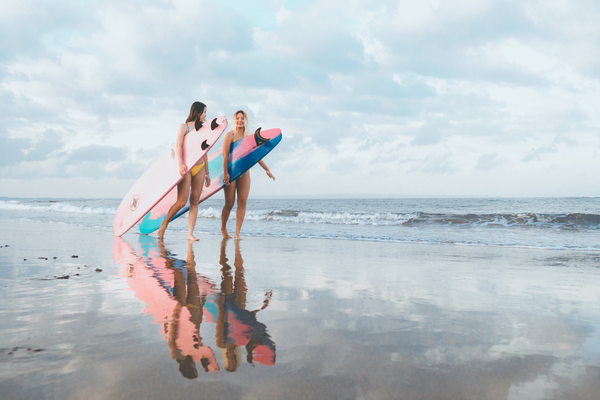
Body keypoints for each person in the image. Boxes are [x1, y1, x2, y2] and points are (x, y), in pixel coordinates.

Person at [158, 102, 211, 241]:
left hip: (200, 166)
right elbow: (179, 146)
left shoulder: (204, 129)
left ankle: (190, 234)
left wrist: (207, 173)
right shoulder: (184, 127)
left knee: (194, 200)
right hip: (186, 167)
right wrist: (180, 164)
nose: (206, 115)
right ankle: (165, 223)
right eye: (204, 112)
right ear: (198, 112)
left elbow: (204, 151)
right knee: (181, 201)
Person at [221, 110, 275, 239]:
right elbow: (224, 156)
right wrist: (225, 173)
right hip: (232, 172)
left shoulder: (249, 137)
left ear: (245, 121)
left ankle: (237, 232)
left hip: (244, 173)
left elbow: (256, 155)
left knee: (242, 202)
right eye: (237, 118)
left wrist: (266, 169)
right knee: (229, 203)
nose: (240, 120)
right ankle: (223, 228)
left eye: (242, 118)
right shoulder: (230, 135)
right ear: (234, 120)